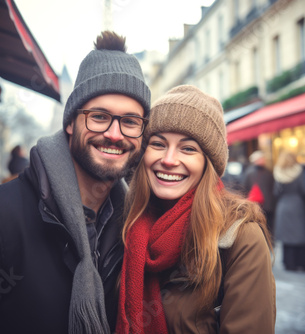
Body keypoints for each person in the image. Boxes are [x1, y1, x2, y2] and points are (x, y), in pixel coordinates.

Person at [0, 31, 151, 334]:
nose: (115, 134)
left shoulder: (133, 230)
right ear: (70, 123)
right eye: (99, 116)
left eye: (130, 121)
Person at [116, 85, 275, 334]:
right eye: (158, 144)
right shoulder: (126, 223)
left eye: (188, 148)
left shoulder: (240, 237)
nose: (169, 160)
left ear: (207, 164)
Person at [273, 151, 305, 272]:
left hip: (283, 206)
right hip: (297, 206)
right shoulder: (299, 171)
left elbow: (275, 192)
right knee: (300, 235)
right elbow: (304, 189)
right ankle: (301, 263)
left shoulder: (278, 172)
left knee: (286, 236)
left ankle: (289, 263)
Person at [242, 149, 276, 239]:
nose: (263, 160)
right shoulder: (265, 172)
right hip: (261, 205)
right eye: (262, 158)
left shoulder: (249, 172)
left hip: (259, 205)